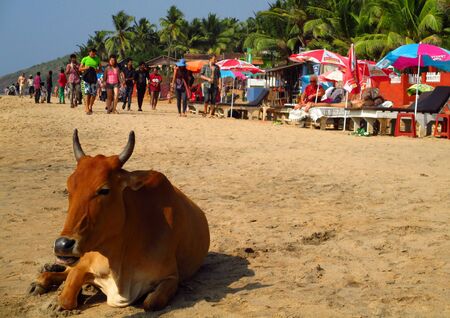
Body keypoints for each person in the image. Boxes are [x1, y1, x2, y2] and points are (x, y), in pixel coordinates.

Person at [79, 48, 101, 115]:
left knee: (93, 94)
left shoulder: (97, 59)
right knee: (87, 93)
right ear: (89, 53)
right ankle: (87, 108)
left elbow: (100, 68)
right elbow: (80, 69)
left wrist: (97, 70)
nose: (93, 54)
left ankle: (90, 106)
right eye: (92, 53)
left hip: (94, 77)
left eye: (94, 53)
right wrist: (86, 68)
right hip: (86, 77)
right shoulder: (85, 59)